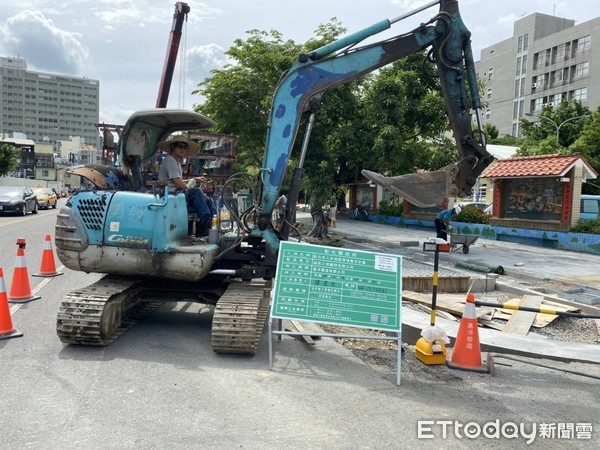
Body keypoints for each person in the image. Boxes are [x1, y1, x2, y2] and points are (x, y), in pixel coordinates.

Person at [157, 136, 211, 238]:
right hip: (170, 195)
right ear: (173, 147)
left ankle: (204, 231)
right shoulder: (170, 160)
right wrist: (192, 184)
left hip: (177, 193)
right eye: (179, 146)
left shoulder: (177, 163)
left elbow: (177, 180)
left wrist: (197, 179)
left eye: (184, 147)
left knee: (207, 199)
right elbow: (178, 182)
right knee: (195, 192)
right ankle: (206, 222)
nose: (182, 149)